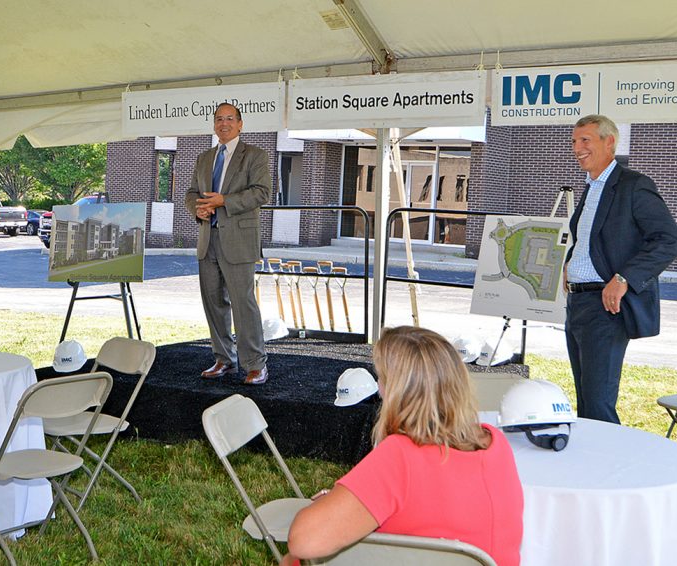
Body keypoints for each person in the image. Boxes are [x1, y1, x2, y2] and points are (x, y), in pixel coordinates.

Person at [282, 327, 523, 566]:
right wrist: (350, 501)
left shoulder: (400, 455)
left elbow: (303, 541)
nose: (379, 387)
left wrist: (335, 502)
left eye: (382, 379)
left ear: (398, 392)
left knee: (292, 560)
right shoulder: (495, 442)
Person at [564, 114, 677, 424]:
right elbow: (590, 240)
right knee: (586, 402)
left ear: (609, 142)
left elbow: (668, 240)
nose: (577, 148)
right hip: (577, 304)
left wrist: (624, 278)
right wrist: (569, 264)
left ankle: (611, 469)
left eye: (585, 140)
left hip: (605, 309)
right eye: (575, 141)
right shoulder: (591, 187)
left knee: (599, 405)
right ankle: (590, 468)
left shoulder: (633, 186)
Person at [184, 103, 272, 385]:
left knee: (242, 303)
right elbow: (191, 193)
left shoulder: (255, 156)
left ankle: (255, 364)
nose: (224, 123)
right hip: (207, 239)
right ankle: (224, 358)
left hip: (239, 240)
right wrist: (196, 208)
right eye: (219, 119)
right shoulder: (204, 158)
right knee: (213, 302)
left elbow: (262, 193)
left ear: (240, 124)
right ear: (214, 124)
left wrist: (224, 201)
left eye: (230, 119)